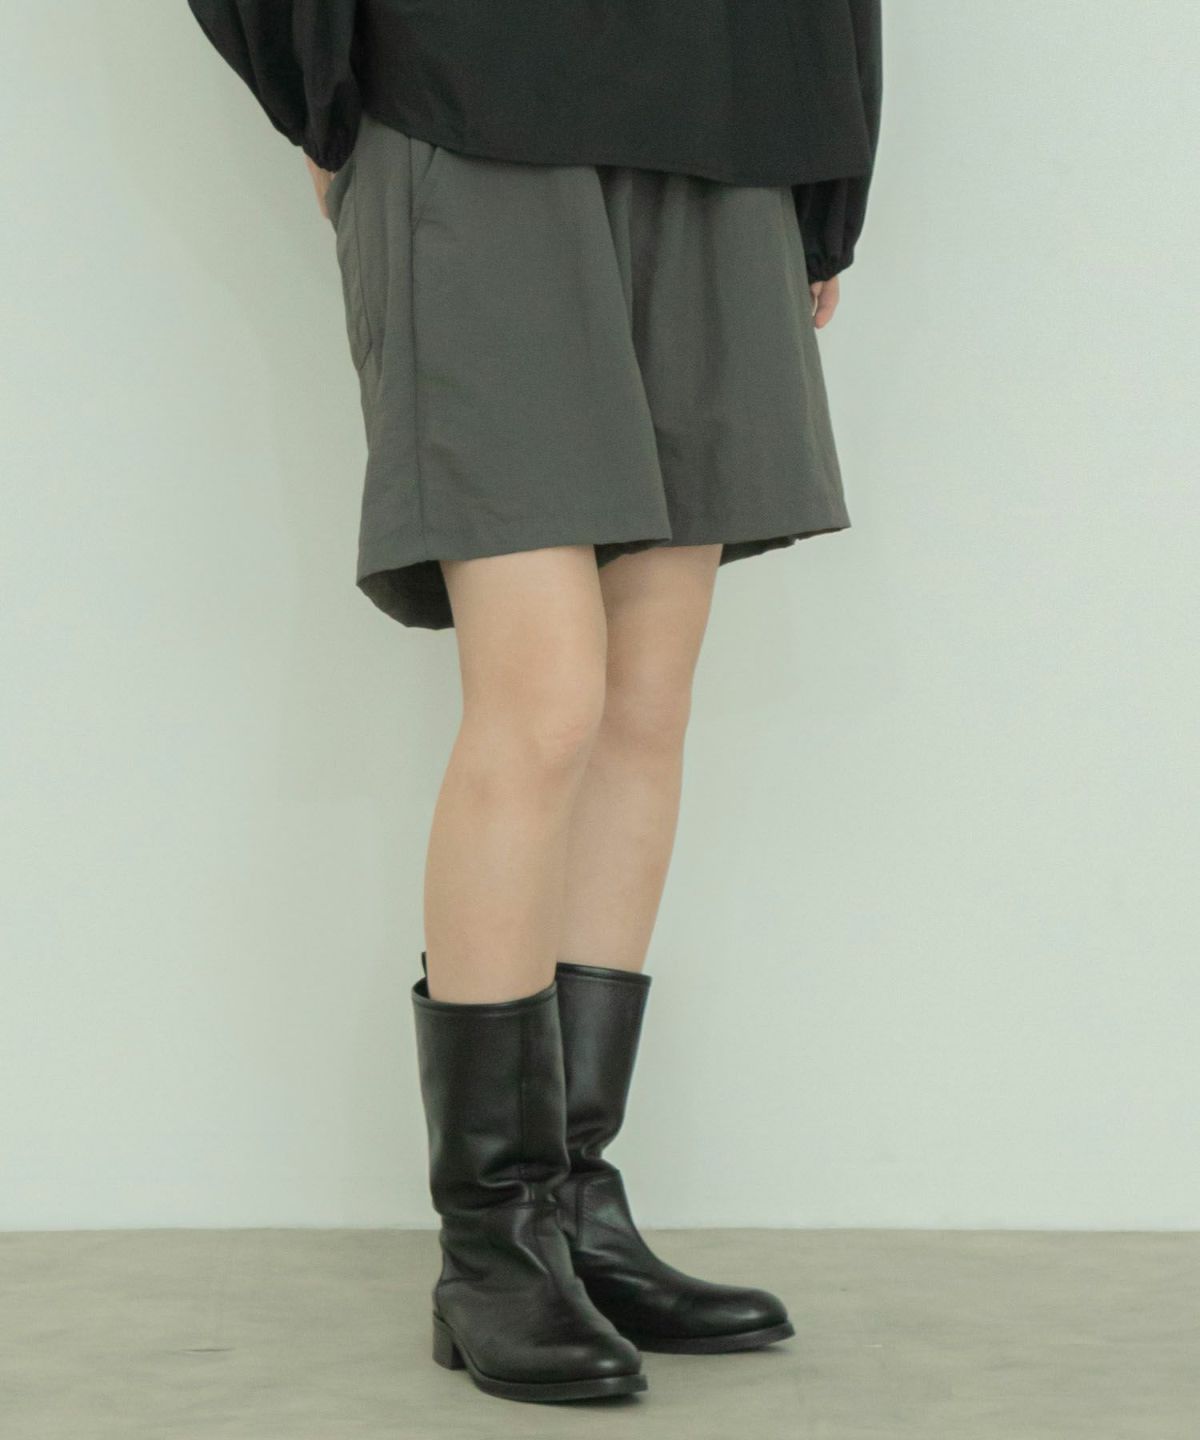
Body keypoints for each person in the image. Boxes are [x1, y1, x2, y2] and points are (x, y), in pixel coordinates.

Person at [186, 0, 883, 1406]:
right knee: (543, 694)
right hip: (470, 95)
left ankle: (571, 1203)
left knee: (643, 698)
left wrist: (828, 161)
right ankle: (493, 1241)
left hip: (729, 111)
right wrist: (319, 81)